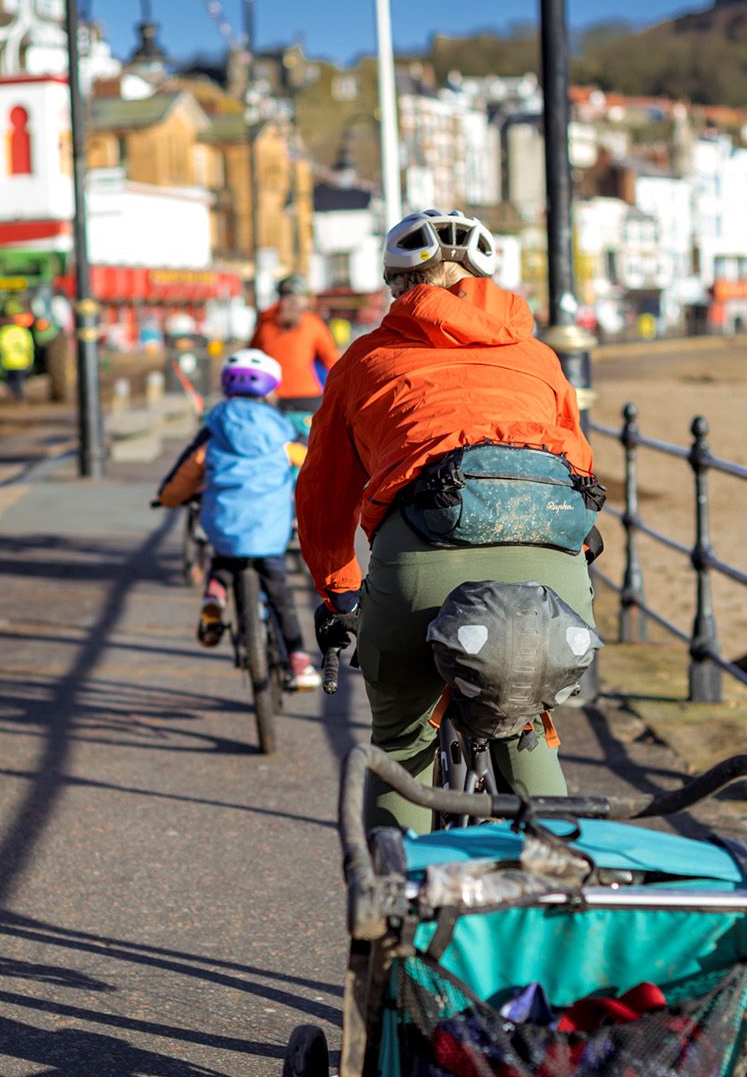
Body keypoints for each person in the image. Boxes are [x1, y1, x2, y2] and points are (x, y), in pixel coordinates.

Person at [295, 208, 599, 832]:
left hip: (420, 563)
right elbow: (580, 462)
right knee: (524, 721)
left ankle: (390, 915)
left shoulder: (365, 359)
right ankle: (563, 888)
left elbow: (324, 495)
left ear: (398, 284)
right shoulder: (539, 357)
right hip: (552, 570)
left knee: (402, 742)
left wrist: (339, 590)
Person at [156, 349, 320, 690]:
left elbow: (187, 471)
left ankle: (214, 596)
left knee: (224, 560)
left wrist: (167, 498)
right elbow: (312, 463)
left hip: (226, 521)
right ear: (271, 390)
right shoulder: (281, 432)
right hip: (269, 527)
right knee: (281, 595)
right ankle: (299, 661)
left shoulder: (215, 427)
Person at [253, 274, 340, 416]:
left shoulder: (265, 322)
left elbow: (333, 363)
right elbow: (334, 362)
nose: (291, 303)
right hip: (287, 398)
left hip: (286, 397)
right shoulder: (311, 323)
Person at [0, 310, 36, 402]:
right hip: (22, 363)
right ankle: (19, 397)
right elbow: (29, 348)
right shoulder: (24, 332)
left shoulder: (4, 332)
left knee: (12, 382)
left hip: (8, 363)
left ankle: (16, 395)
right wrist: (30, 360)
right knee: (19, 382)